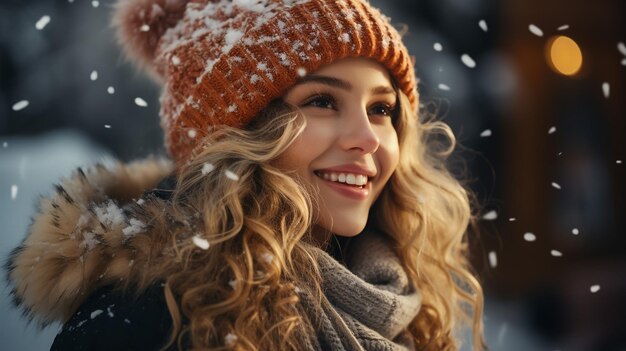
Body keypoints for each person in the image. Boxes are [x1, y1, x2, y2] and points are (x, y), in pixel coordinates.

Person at [5, 0, 486, 350]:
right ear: (235, 138)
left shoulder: (403, 311)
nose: (367, 137)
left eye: (381, 108)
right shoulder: (144, 323)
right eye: (322, 101)